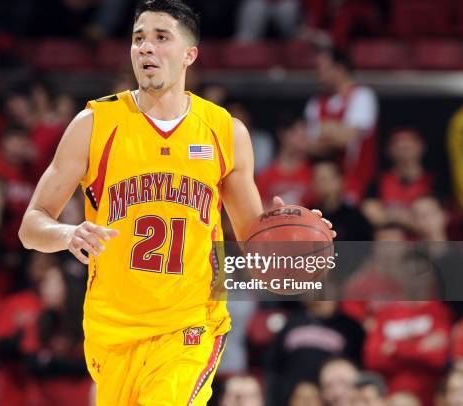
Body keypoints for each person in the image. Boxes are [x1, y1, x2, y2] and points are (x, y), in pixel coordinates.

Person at [18, 0, 334, 404]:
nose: (146, 48)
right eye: (138, 39)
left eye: (161, 37)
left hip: (190, 325)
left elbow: (254, 243)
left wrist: (296, 243)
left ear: (189, 54)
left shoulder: (224, 131)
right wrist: (67, 233)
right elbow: (31, 227)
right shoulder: (94, 124)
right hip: (111, 330)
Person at [305, 47, 378, 203]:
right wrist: (337, 131)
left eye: (322, 68)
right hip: (322, 186)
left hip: (358, 183)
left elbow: (346, 138)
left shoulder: (362, 96)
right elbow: (310, 146)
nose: (318, 74)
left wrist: (326, 131)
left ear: (339, 69)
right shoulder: (315, 103)